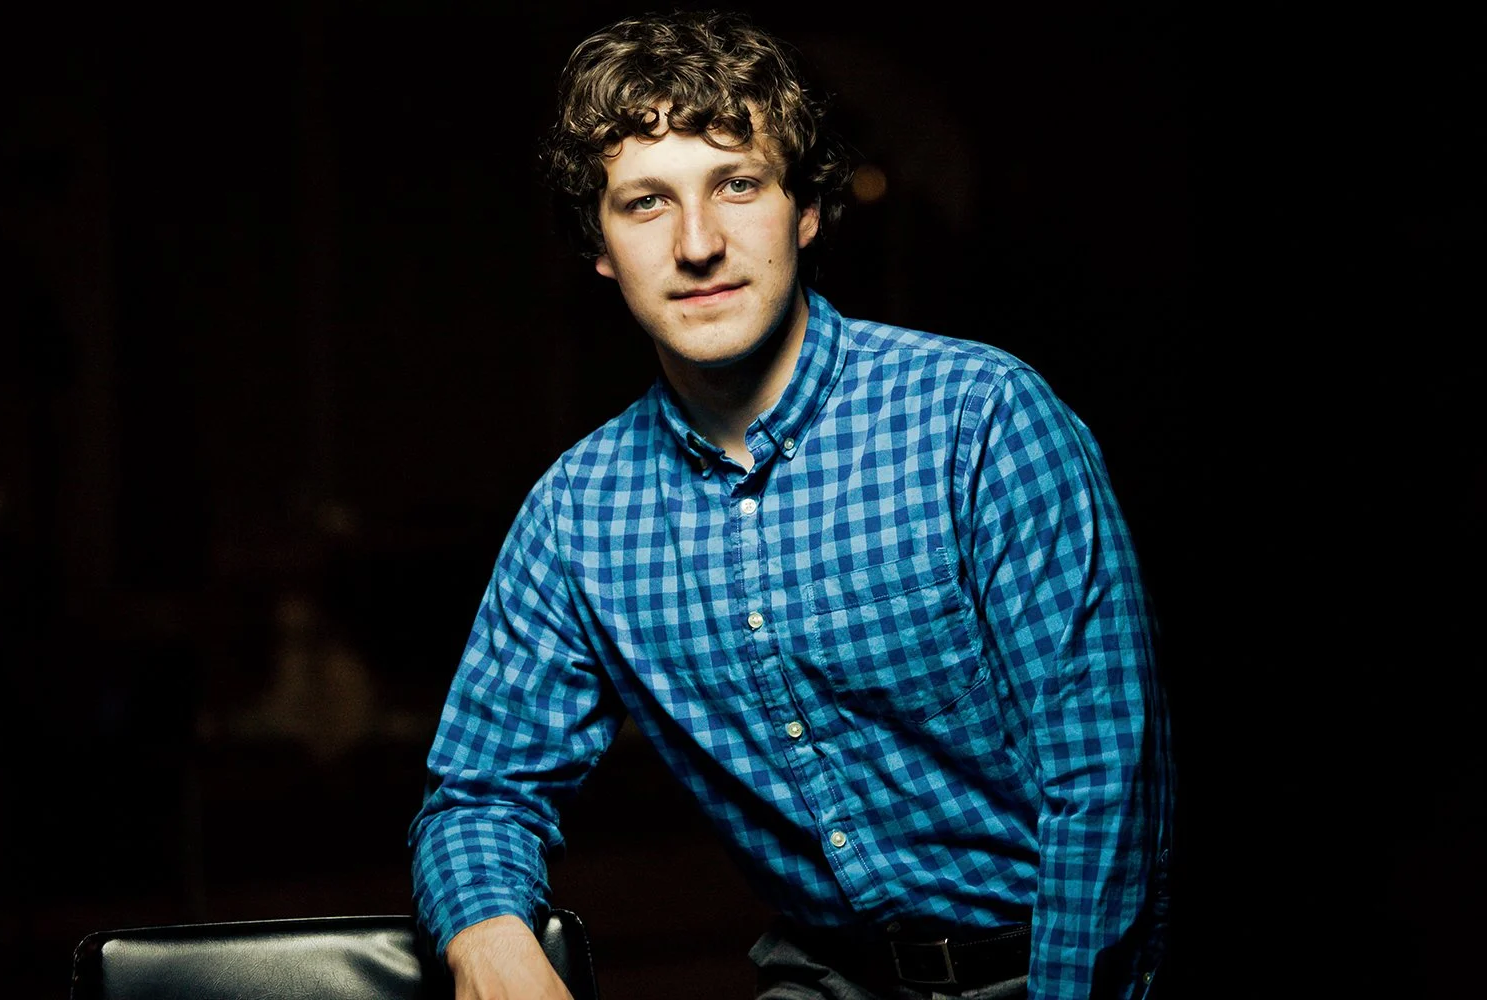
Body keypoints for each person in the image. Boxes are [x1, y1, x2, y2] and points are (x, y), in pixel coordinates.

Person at [409, 9, 1172, 999]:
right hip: (819, 978)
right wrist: (488, 934)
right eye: (645, 203)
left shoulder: (979, 420)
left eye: (737, 184)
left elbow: (1106, 780)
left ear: (806, 210)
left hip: (1041, 968)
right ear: (597, 246)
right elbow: (477, 792)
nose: (696, 243)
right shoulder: (577, 516)